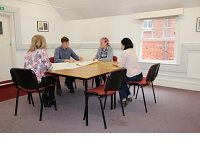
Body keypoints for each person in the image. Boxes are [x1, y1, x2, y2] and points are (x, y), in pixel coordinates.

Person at [24, 35, 55, 107]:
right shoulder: (41, 51)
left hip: (27, 82)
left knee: (47, 79)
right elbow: (48, 66)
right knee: (52, 79)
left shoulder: (28, 53)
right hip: (37, 82)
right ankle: (49, 99)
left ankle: (45, 96)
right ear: (42, 42)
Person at [114, 38, 143, 103]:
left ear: (124, 45)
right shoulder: (133, 50)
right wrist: (119, 63)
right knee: (122, 79)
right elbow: (127, 63)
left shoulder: (125, 52)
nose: (121, 46)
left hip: (133, 76)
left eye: (121, 45)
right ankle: (128, 95)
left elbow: (121, 65)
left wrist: (116, 64)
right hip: (139, 75)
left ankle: (124, 98)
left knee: (119, 80)